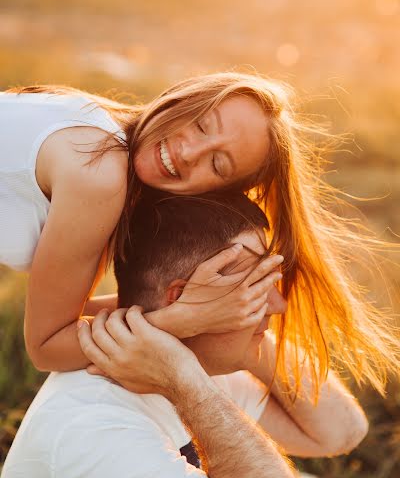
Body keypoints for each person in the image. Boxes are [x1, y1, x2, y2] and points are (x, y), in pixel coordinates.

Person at [0, 189, 374, 478]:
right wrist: (184, 376)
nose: (279, 305)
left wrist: (234, 335)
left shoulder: (188, 360)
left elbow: (340, 430)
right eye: (254, 288)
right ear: (178, 296)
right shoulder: (90, 431)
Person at [1, 72, 398, 395]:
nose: (188, 153)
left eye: (218, 164)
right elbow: (48, 346)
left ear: (217, 193)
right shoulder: (99, 173)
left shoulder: (109, 132)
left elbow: (66, 310)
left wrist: (193, 305)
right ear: (185, 97)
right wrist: (182, 319)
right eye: (202, 124)